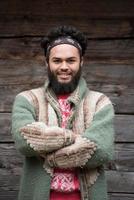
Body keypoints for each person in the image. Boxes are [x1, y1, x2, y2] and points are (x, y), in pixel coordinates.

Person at [11, 25, 115, 200]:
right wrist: (74, 139)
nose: (64, 66)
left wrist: (46, 145)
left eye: (71, 60)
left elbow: (101, 151)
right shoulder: (27, 99)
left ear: (81, 61)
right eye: (57, 60)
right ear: (47, 62)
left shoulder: (100, 102)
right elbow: (23, 141)